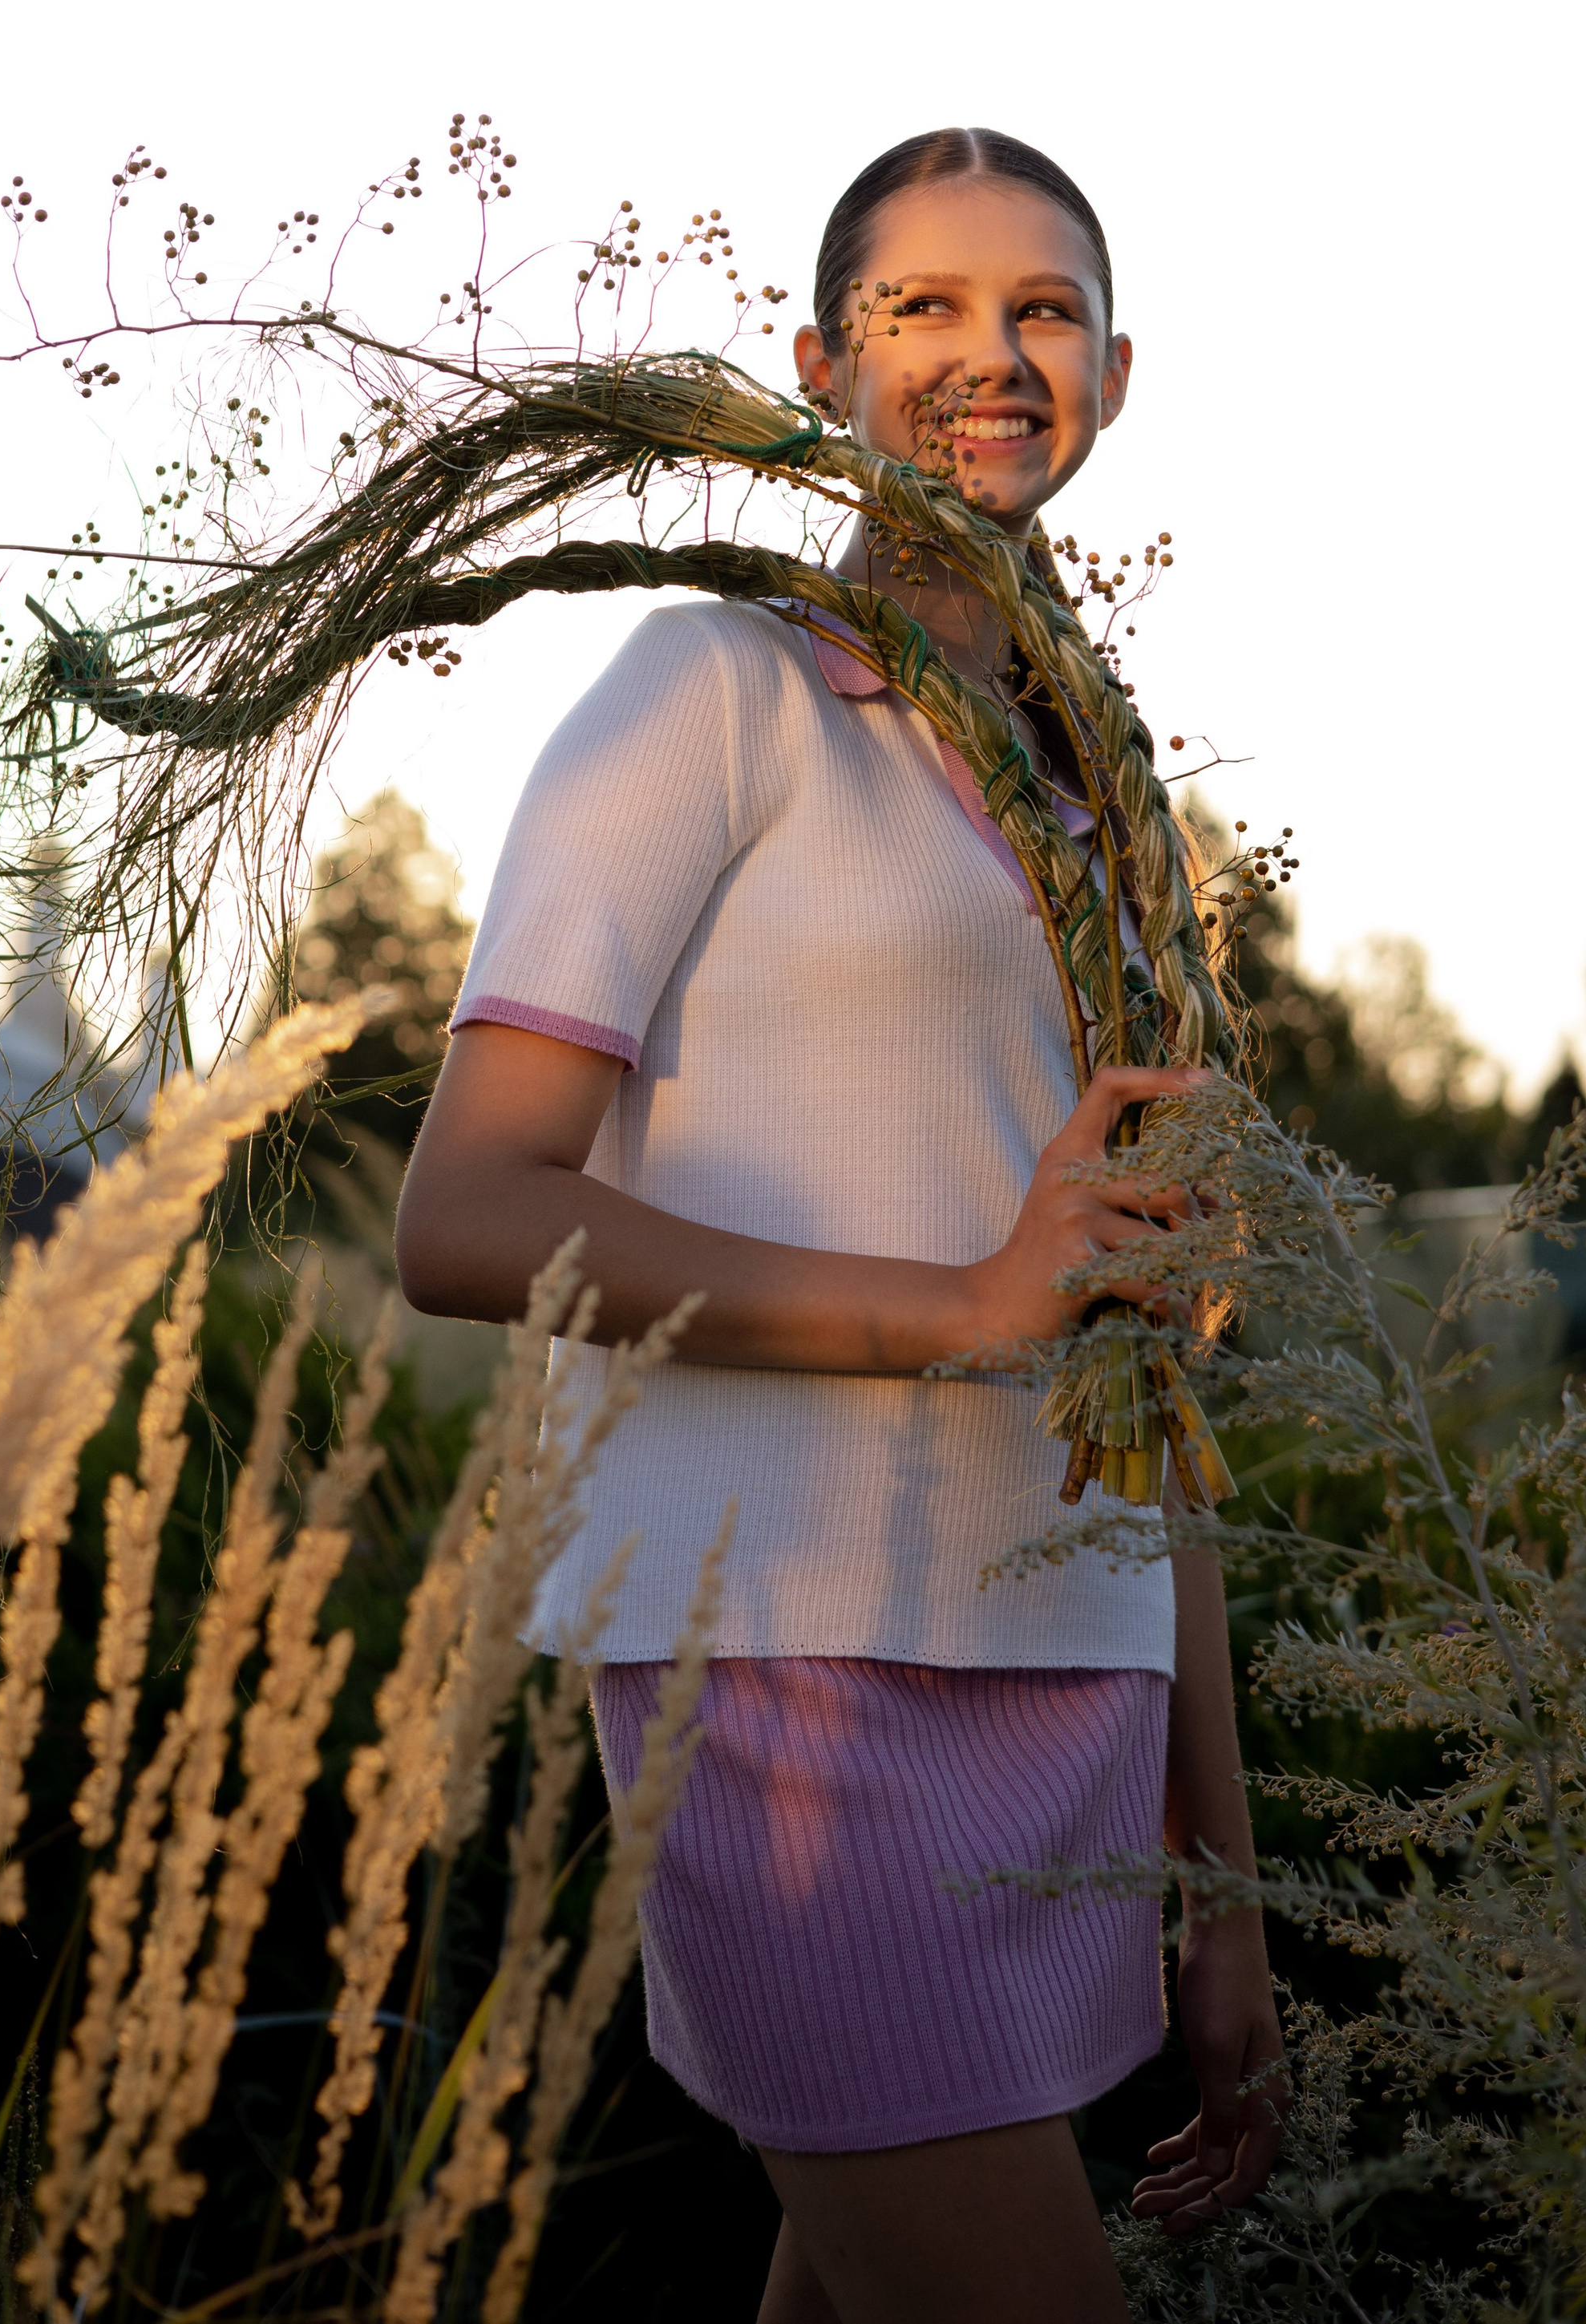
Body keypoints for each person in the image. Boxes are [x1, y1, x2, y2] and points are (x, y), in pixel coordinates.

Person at [395, 127, 1283, 2324]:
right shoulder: (714, 691)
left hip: (1066, 1679)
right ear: (816, 361)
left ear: (1118, 371)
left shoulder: (1105, 809)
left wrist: (1223, 1876)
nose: (997, 353)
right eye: (929, 308)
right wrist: (963, 1300)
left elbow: (1134, 1361)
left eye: (1046, 310)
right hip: (787, 1670)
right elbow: (468, 1207)